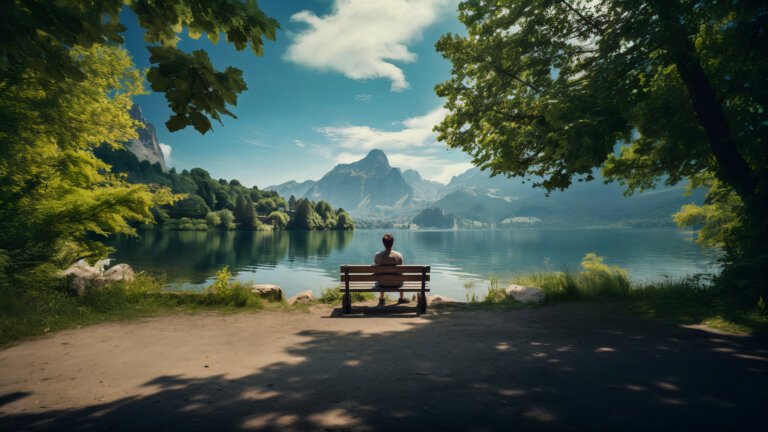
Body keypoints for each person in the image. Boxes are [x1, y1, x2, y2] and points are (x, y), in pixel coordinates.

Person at [373, 233, 409, 306]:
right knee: (400, 275)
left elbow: (377, 270)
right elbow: (401, 271)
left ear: (383, 243)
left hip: (382, 283)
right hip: (397, 283)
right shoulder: (399, 255)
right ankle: (401, 298)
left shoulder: (377, 256)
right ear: (392, 243)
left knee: (381, 274)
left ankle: (382, 299)